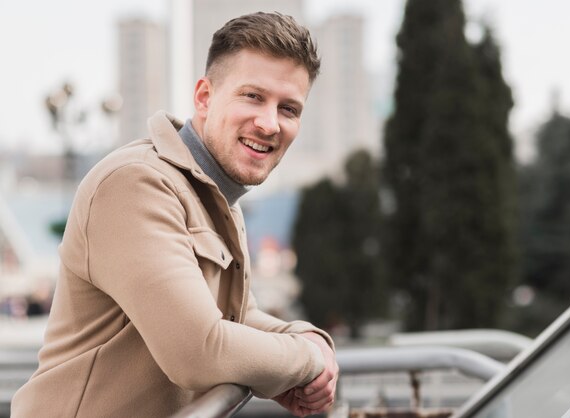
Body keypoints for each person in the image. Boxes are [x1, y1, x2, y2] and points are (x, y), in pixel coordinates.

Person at [12, 12, 338, 418]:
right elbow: (198, 349)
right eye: (253, 96)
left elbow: (238, 316)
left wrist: (309, 337)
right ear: (203, 97)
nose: (270, 123)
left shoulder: (213, 194)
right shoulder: (135, 184)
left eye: (289, 109)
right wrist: (306, 361)